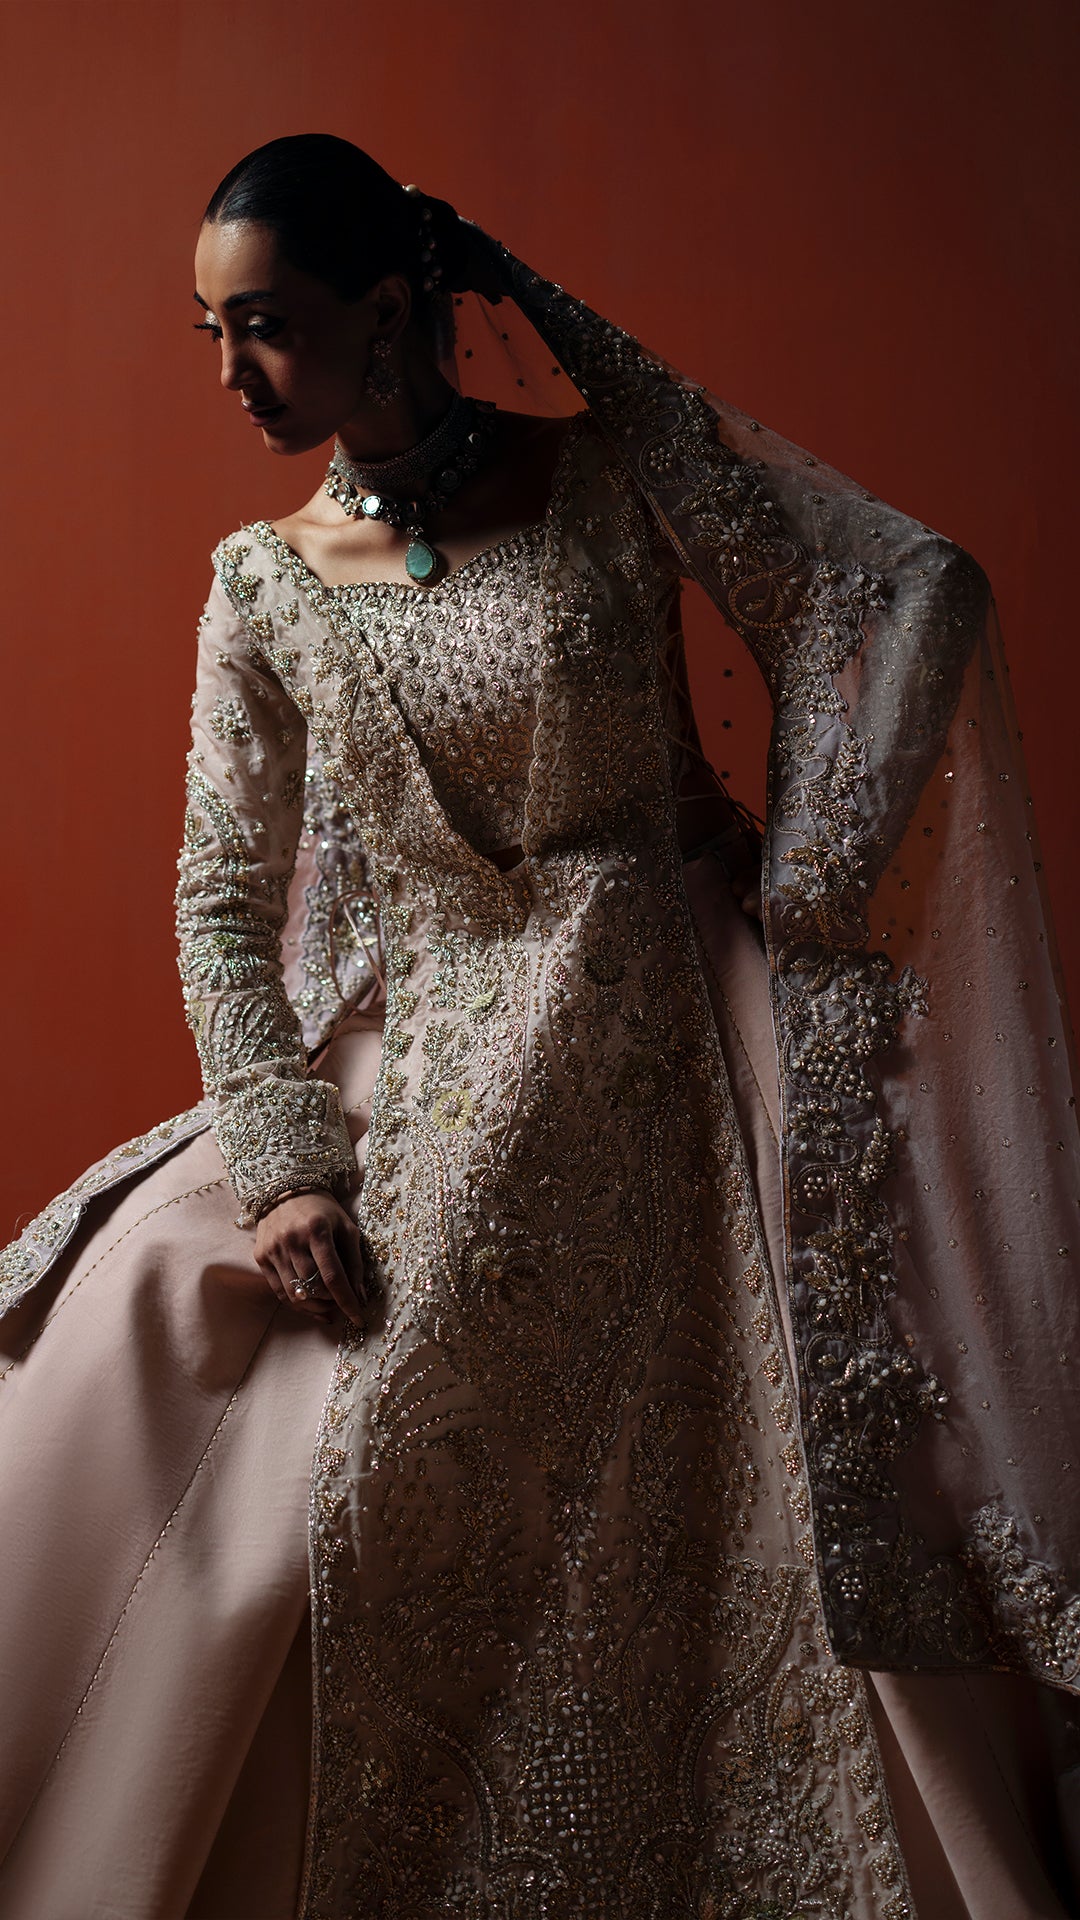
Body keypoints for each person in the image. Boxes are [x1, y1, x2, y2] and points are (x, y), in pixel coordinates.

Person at [1, 132, 1077, 1920]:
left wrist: (810, 883)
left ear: (391, 308)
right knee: (137, 1351)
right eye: (213, 333)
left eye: (269, 325)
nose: (233, 373)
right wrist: (285, 1165)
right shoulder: (262, 582)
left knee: (823, 1461)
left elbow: (896, 595)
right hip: (422, 1055)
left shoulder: (606, 475)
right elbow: (219, 901)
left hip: (681, 1017)